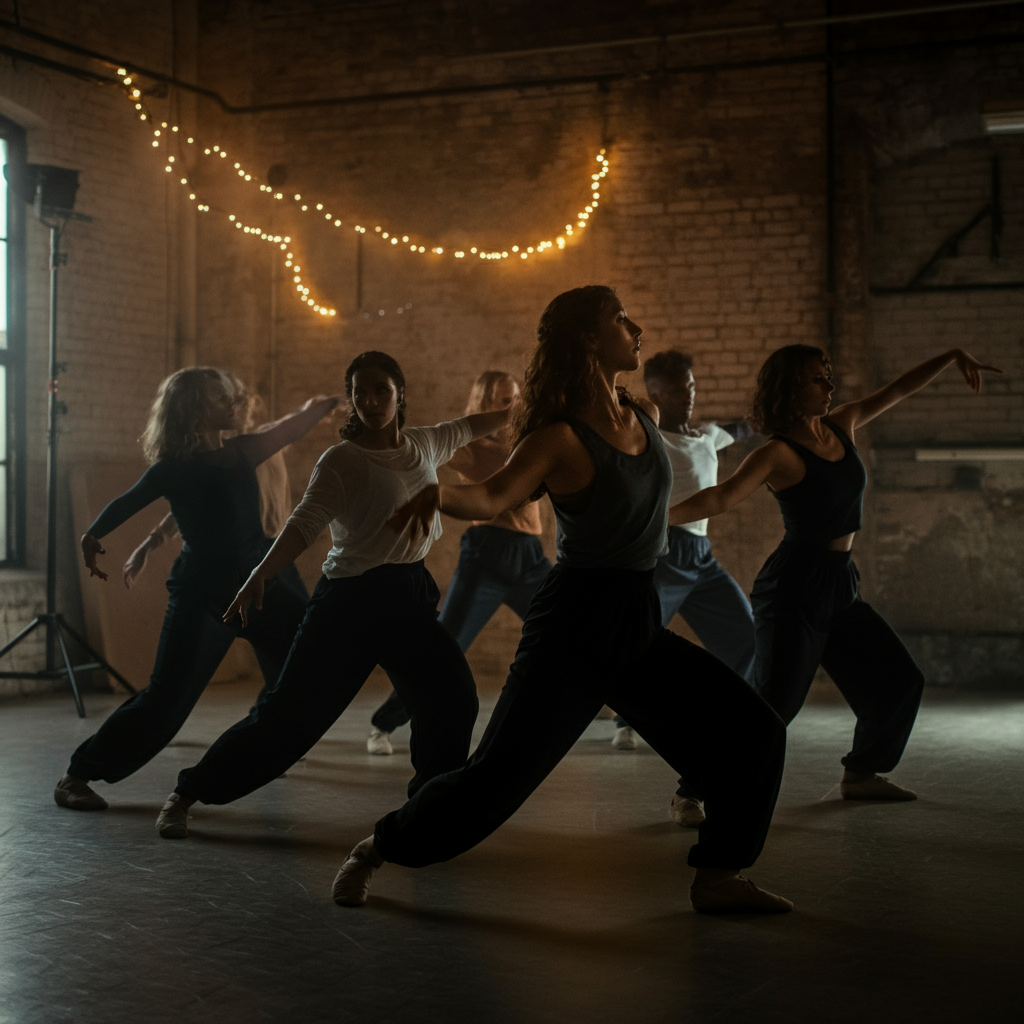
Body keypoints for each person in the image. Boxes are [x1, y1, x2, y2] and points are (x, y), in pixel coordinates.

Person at [332, 287, 791, 915]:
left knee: (755, 730)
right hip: (576, 625)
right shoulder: (559, 438)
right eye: (620, 319)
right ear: (586, 340)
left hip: (635, 618)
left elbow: (656, 510)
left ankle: (717, 875)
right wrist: (437, 494)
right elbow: (494, 498)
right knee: (494, 780)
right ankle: (379, 846)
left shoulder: (646, 413)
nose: (637, 326)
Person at [153, 351, 507, 839]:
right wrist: (260, 574)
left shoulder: (426, 444)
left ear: (400, 393)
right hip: (349, 603)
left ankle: (430, 808)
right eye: (360, 392)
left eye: (381, 389)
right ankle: (187, 792)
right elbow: (303, 525)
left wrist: (541, 409)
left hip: (407, 595)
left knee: (453, 698)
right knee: (289, 720)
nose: (371, 400)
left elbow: (476, 423)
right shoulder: (341, 460)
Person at [666, 344, 1002, 800]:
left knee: (899, 682)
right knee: (774, 705)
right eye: (816, 379)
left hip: (841, 581)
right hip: (793, 588)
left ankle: (861, 774)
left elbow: (898, 389)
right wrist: (653, 519)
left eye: (828, 376)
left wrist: (951, 356)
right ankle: (693, 787)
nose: (829, 386)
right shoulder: (777, 454)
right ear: (790, 389)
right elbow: (720, 499)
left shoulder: (840, 426)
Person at [53, 368, 342, 812]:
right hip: (204, 595)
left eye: (230, 396)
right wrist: (92, 536)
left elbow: (292, 426)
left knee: (305, 668)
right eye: (219, 398)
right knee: (166, 700)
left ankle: (252, 751)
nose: (233, 405)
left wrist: (325, 405)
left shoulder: (243, 450)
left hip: (258, 586)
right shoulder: (173, 469)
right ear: (191, 410)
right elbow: (126, 503)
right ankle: (78, 775)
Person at [366, 370, 553, 756]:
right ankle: (383, 725)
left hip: (530, 557)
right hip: (486, 555)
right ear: (484, 405)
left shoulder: (530, 443)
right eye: (504, 400)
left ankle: (616, 710)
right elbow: (422, 449)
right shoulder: (473, 449)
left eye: (516, 398)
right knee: (446, 645)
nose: (513, 406)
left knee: (569, 624)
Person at [610, 349, 758, 831]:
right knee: (632, 644)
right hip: (664, 556)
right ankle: (625, 714)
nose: (688, 396)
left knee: (746, 639)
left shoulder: (707, 435)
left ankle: (713, 719)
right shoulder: (650, 437)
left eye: (691, 387)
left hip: (703, 560)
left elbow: (741, 428)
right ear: (655, 394)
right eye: (677, 389)